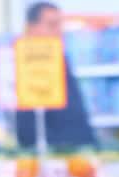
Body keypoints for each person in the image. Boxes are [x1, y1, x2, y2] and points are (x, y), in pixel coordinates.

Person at [15, 2, 98, 152]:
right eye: (52, 25)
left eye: (60, 25)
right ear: (31, 27)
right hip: (53, 156)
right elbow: (27, 128)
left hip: (77, 154)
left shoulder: (60, 58)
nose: (59, 31)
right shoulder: (22, 65)